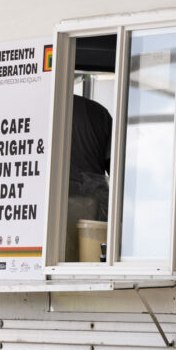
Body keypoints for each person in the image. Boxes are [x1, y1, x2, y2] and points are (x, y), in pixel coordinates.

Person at [65, 94, 113, 261]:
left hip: (51, 206)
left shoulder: (38, 110)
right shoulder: (98, 112)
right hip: (92, 210)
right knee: (86, 262)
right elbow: (117, 167)